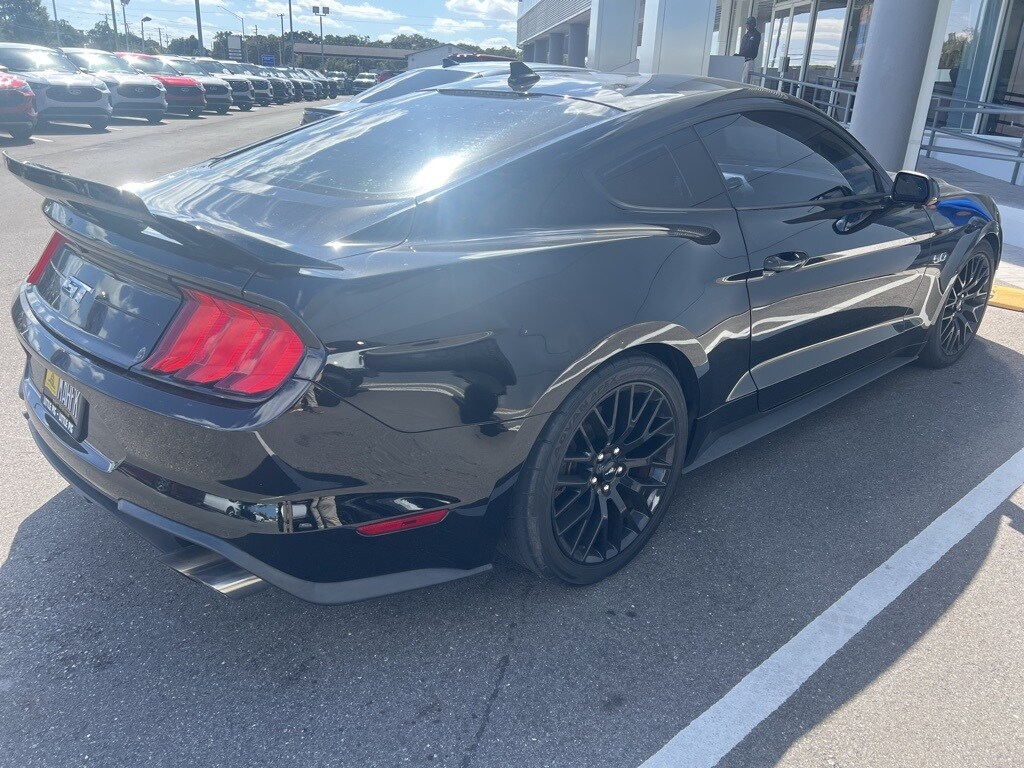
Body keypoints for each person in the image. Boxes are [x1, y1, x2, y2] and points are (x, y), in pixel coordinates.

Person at [738, 16, 761, 83]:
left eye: (750, 24)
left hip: (749, 61)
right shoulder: (746, 35)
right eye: (747, 24)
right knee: (740, 80)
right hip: (742, 60)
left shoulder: (756, 34)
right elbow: (742, 48)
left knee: (745, 81)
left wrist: (741, 55)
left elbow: (750, 48)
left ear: (753, 25)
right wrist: (739, 56)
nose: (747, 26)